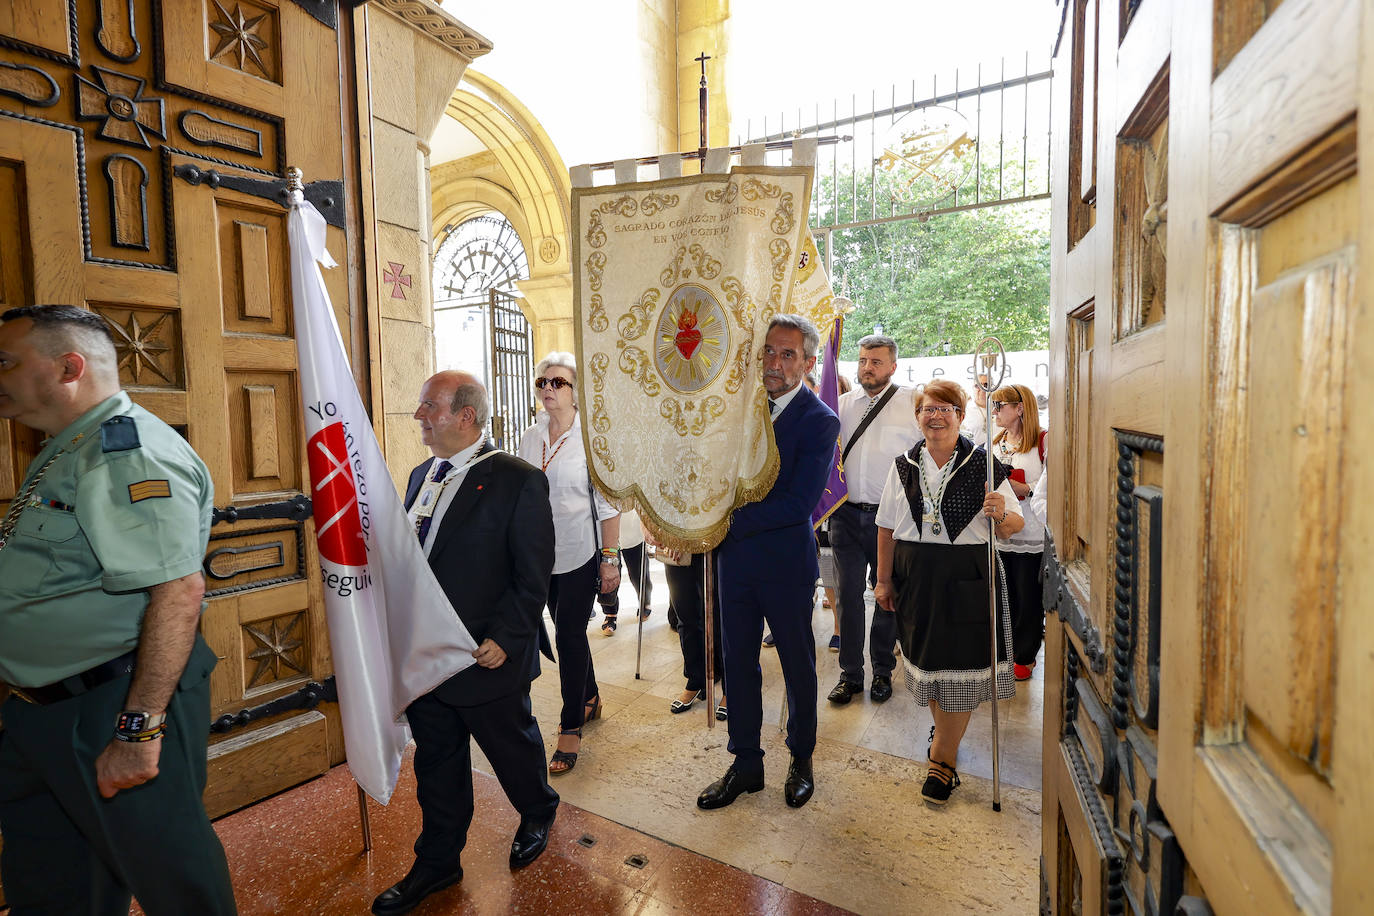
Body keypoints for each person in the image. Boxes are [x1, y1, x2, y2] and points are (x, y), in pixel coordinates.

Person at [0, 305, 236, 915]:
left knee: (174, 881)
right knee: (52, 885)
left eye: (6, 361)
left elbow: (177, 591)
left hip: (114, 704)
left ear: (68, 366)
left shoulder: (125, 453)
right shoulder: (66, 447)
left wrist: (138, 729)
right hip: (42, 708)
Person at [374, 370, 561, 915]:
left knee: (511, 747)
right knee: (437, 762)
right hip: (428, 657)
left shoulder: (516, 479)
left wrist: (507, 635)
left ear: (465, 416)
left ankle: (537, 807)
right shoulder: (418, 476)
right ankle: (437, 861)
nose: (419, 417)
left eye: (429, 406)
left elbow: (534, 573)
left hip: (486, 654)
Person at [697, 314, 839, 812]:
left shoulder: (821, 421)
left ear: (806, 362)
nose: (774, 363)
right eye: (769, 352)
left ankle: (801, 757)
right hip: (733, 564)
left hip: (784, 565)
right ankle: (746, 763)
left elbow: (798, 504)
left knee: (797, 666)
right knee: (737, 664)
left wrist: (719, 521)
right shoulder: (734, 411)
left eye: (787, 354)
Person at [874, 379, 1023, 805]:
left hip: (968, 576)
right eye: (927, 408)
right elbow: (886, 526)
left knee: (959, 668)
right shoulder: (902, 465)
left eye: (946, 408)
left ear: (960, 415)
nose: (936, 415)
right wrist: (884, 579)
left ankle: (942, 761)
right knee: (931, 668)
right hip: (914, 575)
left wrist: (1002, 517)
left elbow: (1016, 525)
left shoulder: (985, 464)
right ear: (917, 416)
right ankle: (946, 737)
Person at [517, 352, 620, 775]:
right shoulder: (530, 436)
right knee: (564, 629)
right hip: (540, 554)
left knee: (570, 636)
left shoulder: (593, 439)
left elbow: (609, 506)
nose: (548, 389)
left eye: (558, 382)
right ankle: (590, 696)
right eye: (543, 382)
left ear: (577, 392)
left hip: (579, 552)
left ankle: (570, 725)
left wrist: (610, 560)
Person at [827, 334, 921, 705]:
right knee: (847, 597)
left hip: (893, 521)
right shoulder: (840, 405)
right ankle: (850, 676)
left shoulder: (912, 403)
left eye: (876, 362)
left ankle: (882, 670)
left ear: (893, 366)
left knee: (887, 596)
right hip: (846, 517)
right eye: (863, 360)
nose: (868, 367)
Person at [989, 383, 1048, 680]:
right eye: (994, 406)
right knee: (1003, 594)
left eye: (1000, 406)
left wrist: (1023, 488)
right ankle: (1003, 653)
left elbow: (1053, 484)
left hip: (1032, 534)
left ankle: (1025, 656)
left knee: (1028, 596)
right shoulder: (996, 440)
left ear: (1020, 408)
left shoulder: (1042, 441)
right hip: (1002, 531)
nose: (995, 412)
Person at [599, 507, 652, 635]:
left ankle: (645, 601)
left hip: (632, 523)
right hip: (606, 526)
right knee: (607, 573)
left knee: (637, 571)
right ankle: (610, 612)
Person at [960, 373, 998, 447]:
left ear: (993, 387)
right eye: (977, 386)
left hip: (998, 453)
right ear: (973, 388)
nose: (982, 389)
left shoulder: (1000, 408)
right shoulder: (965, 410)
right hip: (975, 455)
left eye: (986, 385)